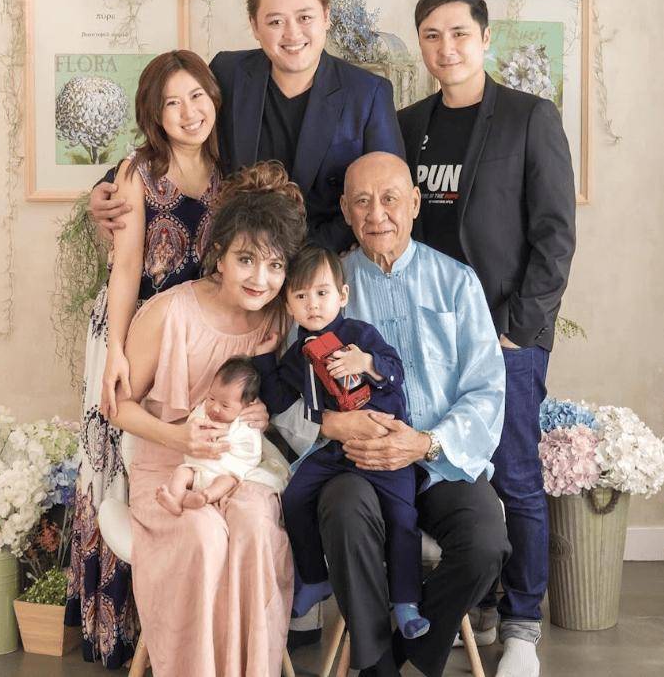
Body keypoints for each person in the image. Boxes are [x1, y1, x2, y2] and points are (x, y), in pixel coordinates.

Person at [271, 151, 510, 677]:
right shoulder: (324, 289)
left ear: (415, 204)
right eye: (362, 201)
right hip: (356, 461)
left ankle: (401, 654)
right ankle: (378, 668)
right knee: (343, 511)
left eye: (389, 199)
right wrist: (331, 424)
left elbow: (487, 390)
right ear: (345, 211)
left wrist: (425, 442)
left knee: (486, 543)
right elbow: (287, 397)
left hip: (440, 460)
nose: (376, 213)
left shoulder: (456, 282)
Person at [398, 0, 576, 677]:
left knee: (516, 476)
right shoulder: (407, 123)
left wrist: (519, 329)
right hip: (425, 340)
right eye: (431, 36)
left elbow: (554, 233)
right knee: (445, 471)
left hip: (502, 336)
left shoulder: (529, 117)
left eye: (459, 34)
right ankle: (471, 602)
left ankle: (522, 625)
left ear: (485, 39)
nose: (446, 48)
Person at [109, 161, 306, 676]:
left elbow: (283, 404)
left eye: (275, 265)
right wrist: (179, 437)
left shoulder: (280, 320)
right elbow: (118, 407)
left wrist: (264, 413)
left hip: (240, 471)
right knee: (203, 535)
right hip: (169, 469)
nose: (260, 279)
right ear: (219, 254)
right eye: (246, 260)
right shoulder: (168, 313)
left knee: (255, 528)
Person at [64, 50, 224, 668]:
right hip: (132, 336)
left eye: (197, 96)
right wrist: (114, 353)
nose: (189, 112)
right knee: (118, 467)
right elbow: (126, 267)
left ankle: (184, 620)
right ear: (154, 115)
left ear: (214, 97)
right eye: (171, 103)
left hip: (193, 344)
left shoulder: (228, 173)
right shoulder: (139, 172)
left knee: (176, 464)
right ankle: (122, 628)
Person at [88, 0, 405, 255]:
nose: (292, 33)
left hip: (324, 267)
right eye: (275, 21)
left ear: (326, 17)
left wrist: (300, 258)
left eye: (305, 17)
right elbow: (178, 134)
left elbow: (393, 194)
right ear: (255, 26)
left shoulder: (368, 93)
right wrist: (110, 184)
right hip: (237, 262)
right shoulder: (229, 73)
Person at [253, 244, 429, 640]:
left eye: (322, 292)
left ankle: (406, 601)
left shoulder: (359, 336)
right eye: (301, 296)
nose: (313, 304)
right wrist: (264, 358)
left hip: (385, 445)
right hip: (333, 452)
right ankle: (315, 578)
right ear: (289, 305)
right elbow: (278, 398)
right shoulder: (297, 355)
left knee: (403, 517)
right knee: (294, 498)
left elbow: (396, 372)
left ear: (342, 295)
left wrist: (365, 363)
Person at [156, 356, 264, 515]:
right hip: (197, 469)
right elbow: (190, 428)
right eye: (211, 398)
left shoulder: (246, 425)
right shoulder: (202, 412)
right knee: (181, 473)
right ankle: (175, 500)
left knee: (227, 482)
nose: (215, 408)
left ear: (247, 406)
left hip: (223, 472)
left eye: (225, 405)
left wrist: (227, 443)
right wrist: (202, 432)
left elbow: (252, 454)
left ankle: (205, 496)